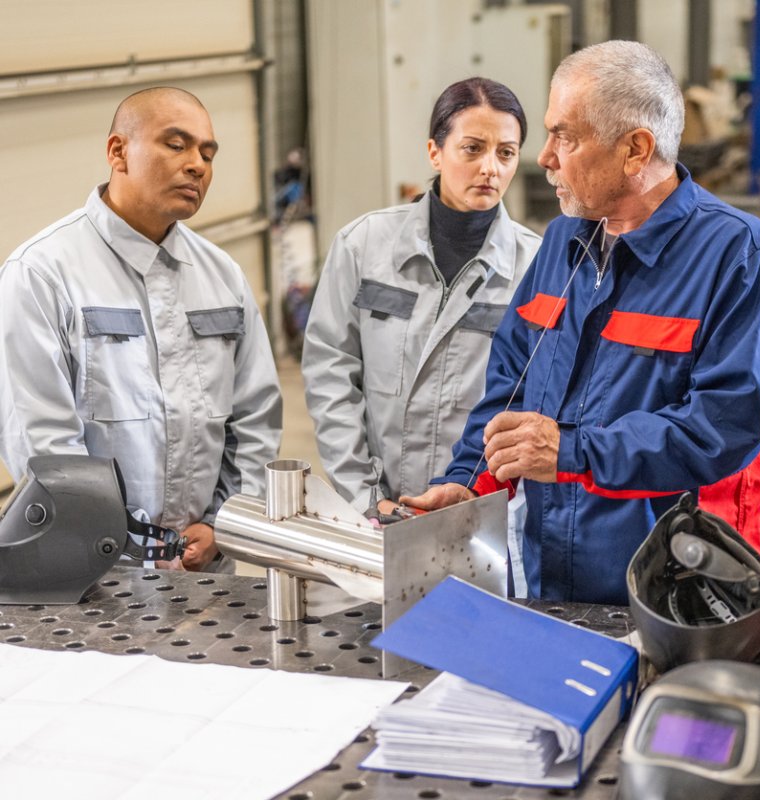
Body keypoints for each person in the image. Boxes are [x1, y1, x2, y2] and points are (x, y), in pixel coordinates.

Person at [394, 40, 760, 605]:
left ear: (635, 150)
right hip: (553, 574)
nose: (546, 158)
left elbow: (723, 426)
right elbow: (512, 386)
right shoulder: (566, 241)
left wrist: (571, 450)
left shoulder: (739, 256)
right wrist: (468, 485)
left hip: (679, 591)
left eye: (567, 136)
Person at [0, 87, 282, 571]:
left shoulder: (222, 277)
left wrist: (223, 522)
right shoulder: (42, 273)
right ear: (118, 152)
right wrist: (125, 544)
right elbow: (42, 440)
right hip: (93, 568)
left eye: (207, 153)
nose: (197, 164)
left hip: (205, 566)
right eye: (176, 144)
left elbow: (255, 416)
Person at [301, 78, 540, 588]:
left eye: (506, 152)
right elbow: (330, 374)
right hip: (369, 511)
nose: (490, 168)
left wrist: (476, 493)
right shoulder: (364, 246)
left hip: (482, 518)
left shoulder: (535, 268)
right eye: (472, 149)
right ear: (434, 150)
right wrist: (365, 496)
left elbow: (533, 404)